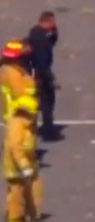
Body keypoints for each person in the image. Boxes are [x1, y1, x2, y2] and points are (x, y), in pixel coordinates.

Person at [3, 96, 43, 222]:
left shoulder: (29, 123)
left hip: (28, 160)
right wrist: (24, 166)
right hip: (15, 164)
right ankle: (14, 220)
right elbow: (15, 147)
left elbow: (29, 144)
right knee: (16, 191)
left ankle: (31, 213)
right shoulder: (17, 125)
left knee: (35, 186)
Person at [28, 11, 60, 140]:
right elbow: (41, 61)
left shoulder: (40, 33)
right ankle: (48, 130)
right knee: (47, 101)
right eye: (52, 22)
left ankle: (40, 127)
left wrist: (54, 31)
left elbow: (53, 41)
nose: (54, 24)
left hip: (40, 70)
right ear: (45, 22)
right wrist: (50, 77)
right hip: (41, 72)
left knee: (43, 101)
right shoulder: (39, 38)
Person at [0, 40, 36, 123]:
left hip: (12, 111)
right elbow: (19, 92)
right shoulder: (14, 72)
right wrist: (31, 82)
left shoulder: (5, 68)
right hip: (19, 112)